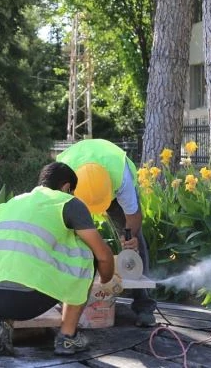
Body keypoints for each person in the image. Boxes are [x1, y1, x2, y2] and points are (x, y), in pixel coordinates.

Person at [0, 162, 118, 356]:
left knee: (14, 258)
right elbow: (102, 255)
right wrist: (107, 279)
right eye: (71, 191)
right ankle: (67, 338)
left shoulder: (15, 201)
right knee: (86, 256)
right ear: (67, 187)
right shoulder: (68, 202)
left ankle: (2, 323)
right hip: (24, 300)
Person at [56, 138, 157, 327]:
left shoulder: (121, 177)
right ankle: (62, 296)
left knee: (135, 240)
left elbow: (133, 215)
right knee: (64, 236)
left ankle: (144, 305)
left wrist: (130, 237)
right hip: (77, 191)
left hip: (111, 183)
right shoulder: (62, 176)